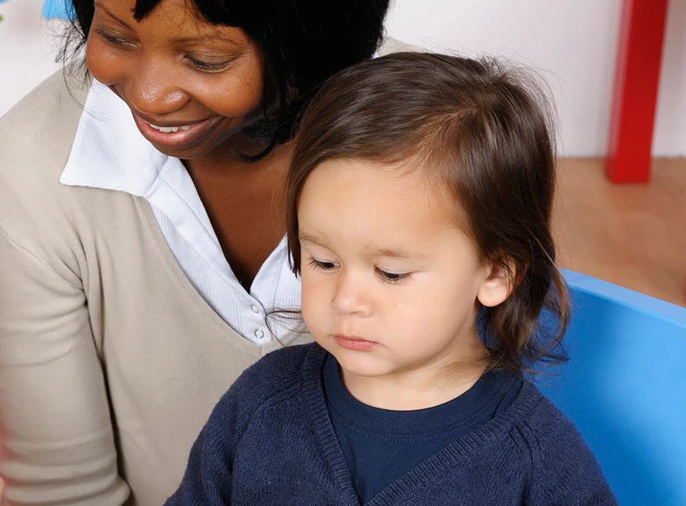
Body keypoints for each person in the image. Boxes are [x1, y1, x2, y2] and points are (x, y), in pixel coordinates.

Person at [0, 0, 394, 501]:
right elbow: (62, 490)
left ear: (306, 39)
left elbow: (479, 430)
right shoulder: (26, 171)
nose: (151, 93)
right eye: (114, 36)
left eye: (205, 59)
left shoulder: (438, 150)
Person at [169, 52, 616, 505]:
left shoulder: (539, 464)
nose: (346, 300)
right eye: (323, 261)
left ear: (497, 272)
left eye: (391, 273)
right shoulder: (262, 400)